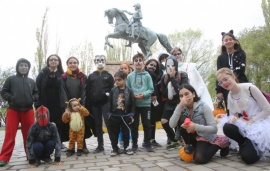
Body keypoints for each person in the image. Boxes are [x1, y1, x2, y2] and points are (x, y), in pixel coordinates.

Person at [216, 68, 270, 164]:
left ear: (233, 76)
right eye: (220, 82)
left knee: (247, 158)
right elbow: (233, 114)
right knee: (227, 126)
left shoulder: (250, 88)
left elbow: (267, 109)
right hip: (247, 125)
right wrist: (233, 118)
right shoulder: (229, 95)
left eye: (226, 79)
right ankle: (243, 143)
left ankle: (256, 146)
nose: (224, 83)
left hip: (261, 124)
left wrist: (251, 121)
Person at [170, 84, 230, 164]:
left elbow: (214, 128)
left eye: (187, 94)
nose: (184, 97)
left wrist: (195, 127)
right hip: (191, 137)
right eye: (181, 96)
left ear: (193, 94)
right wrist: (179, 106)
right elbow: (172, 124)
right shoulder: (181, 108)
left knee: (199, 159)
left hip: (205, 136)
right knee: (182, 119)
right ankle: (191, 147)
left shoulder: (203, 106)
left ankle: (220, 143)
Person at [0, 58, 39, 167]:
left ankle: (30, 156)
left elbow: (36, 93)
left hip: (28, 110)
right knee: (10, 134)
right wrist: (11, 98)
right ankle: (4, 158)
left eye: (26, 66)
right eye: (21, 65)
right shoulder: (11, 79)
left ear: (28, 68)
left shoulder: (31, 81)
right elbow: (4, 92)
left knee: (29, 135)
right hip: (13, 110)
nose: (24, 67)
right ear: (17, 67)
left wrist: (33, 98)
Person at [35, 54, 68, 152]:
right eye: (51, 60)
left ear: (59, 62)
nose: (53, 61)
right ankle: (47, 143)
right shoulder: (42, 73)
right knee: (45, 123)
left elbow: (64, 90)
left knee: (60, 124)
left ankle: (59, 142)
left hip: (58, 104)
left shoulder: (62, 74)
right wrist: (37, 104)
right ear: (48, 62)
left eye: (56, 60)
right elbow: (37, 89)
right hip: (45, 103)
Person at [62, 56, 92, 154]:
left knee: (81, 126)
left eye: (75, 62)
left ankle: (82, 146)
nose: (73, 64)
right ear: (67, 65)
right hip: (69, 106)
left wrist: (81, 106)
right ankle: (71, 148)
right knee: (71, 128)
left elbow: (84, 91)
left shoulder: (82, 76)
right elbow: (63, 92)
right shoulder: (64, 77)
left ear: (77, 64)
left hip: (79, 106)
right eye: (70, 63)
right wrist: (67, 107)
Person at [126, 52, 154, 152]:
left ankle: (147, 143)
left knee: (147, 124)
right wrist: (132, 96)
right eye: (136, 60)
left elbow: (151, 89)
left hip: (146, 105)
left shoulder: (147, 76)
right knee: (134, 125)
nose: (138, 62)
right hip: (134, 106)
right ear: (133, 63)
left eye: (140, 60)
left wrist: (143, 95)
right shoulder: (129, 76)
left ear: (144, 62)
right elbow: (127, 90)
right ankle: (134, 144)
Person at [216, 30, 249, 115]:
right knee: (230, 109)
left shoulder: (241, 53)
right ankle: (232, 126)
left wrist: (228, 75)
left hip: (240, 83)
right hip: (226, 86)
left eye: (230, 39)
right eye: (226, 40)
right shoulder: (220, 58)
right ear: (223, 43)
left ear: (234, 41)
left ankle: (246, 124)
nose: (228, 41)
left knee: (244, 108)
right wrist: (218, 90)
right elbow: (219, 74)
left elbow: (241, 68)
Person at [86, 55, 114, 153]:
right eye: (98, 60)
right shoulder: (91, 76)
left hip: (106, 103)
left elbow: (112, 90)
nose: (100, 62)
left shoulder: (109, 76)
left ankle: (114, 145)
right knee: (97, 124)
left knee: (108, 123)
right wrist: (89, 103)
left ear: (105, 61)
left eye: (102, 60)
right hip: (94, 104)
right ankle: (100, 145)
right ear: (94, 62)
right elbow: (88, 90)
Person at [160, 55, 189, 150]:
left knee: (178, 121)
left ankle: (181, 139)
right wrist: (168, 83)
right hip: (169, 102)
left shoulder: (183, 75)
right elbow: (163, 94)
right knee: (164, 121)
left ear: (176, 65)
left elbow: (181, 90)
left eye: (172, 65)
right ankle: (174, 139)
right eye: (167, 66)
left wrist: (172, 79)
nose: (170, 68)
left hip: (180, 102)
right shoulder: (164, 77)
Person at [108, 71, 135, 156]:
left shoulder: (129, 91)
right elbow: (109, 102)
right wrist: (109, 113)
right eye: (115, 80)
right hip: (115, 115)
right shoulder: (113, 90)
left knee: (126, 132)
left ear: (125, 80)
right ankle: (115, 149)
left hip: (125, 115)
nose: (117, 82)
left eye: (119, 80)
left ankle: (126, 147)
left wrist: (131, 114)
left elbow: (133, 103)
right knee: (114, 133)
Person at [144, 59, 163, 147]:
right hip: (146, 100)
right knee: (147, 120)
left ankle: (152, 138)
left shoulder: (156, 77)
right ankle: (146, 140)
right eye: (151, 65)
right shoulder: (146, 74)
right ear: (146, 64)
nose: (153, 67)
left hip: (154, 101)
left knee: (153, 120)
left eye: (155, 66)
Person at [118, 61, 133, 148]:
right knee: (120, 124)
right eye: (121, 68)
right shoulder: (117, 80)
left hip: (129, 106)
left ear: (129, 70)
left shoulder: (131, 79)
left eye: (125, 68)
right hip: (120, 106)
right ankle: (121, 141)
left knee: (129, 124)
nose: (123, 70)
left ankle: (130, 140)